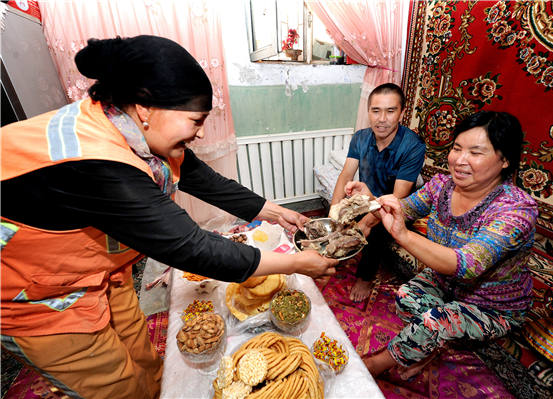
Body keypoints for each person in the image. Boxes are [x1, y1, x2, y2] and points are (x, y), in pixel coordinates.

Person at [0, 35, 338, 399]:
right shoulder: (96, 162)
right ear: (145, 108)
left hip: (99, 271)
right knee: (117, 388)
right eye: (196, 120)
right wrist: (296, 263)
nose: (203, 131)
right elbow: (193, 248)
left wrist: (274, 212)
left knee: (142, 357)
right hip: (39, 298)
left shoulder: (128, 127)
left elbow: (205, 181)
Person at [353, 111, 538, 378]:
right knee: (404, 297)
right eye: (457, 148)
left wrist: (404, 235)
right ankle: (430, 346)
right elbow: (403, 208)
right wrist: (371, 201)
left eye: (475, 153)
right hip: (444, 283)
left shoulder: (516, 209)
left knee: (436, 322)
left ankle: (375, 365)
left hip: (491, 304)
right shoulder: (442, 185)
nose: (460, 160)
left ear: (505, 160)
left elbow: (467, 265)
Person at [330, 83, 426, 302]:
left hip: (399, 206)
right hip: (368, 198)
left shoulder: (413, 146)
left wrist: (365, 223)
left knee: (377, 230)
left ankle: (365, 277)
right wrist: (333, 214)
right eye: (376, 111)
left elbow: (397, 198)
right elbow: (345, 175)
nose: (382, 118)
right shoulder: (360, 137)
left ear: (402, 113)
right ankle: (344, 245)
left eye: (390, 111)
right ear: (368, 112)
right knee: (342, 217)